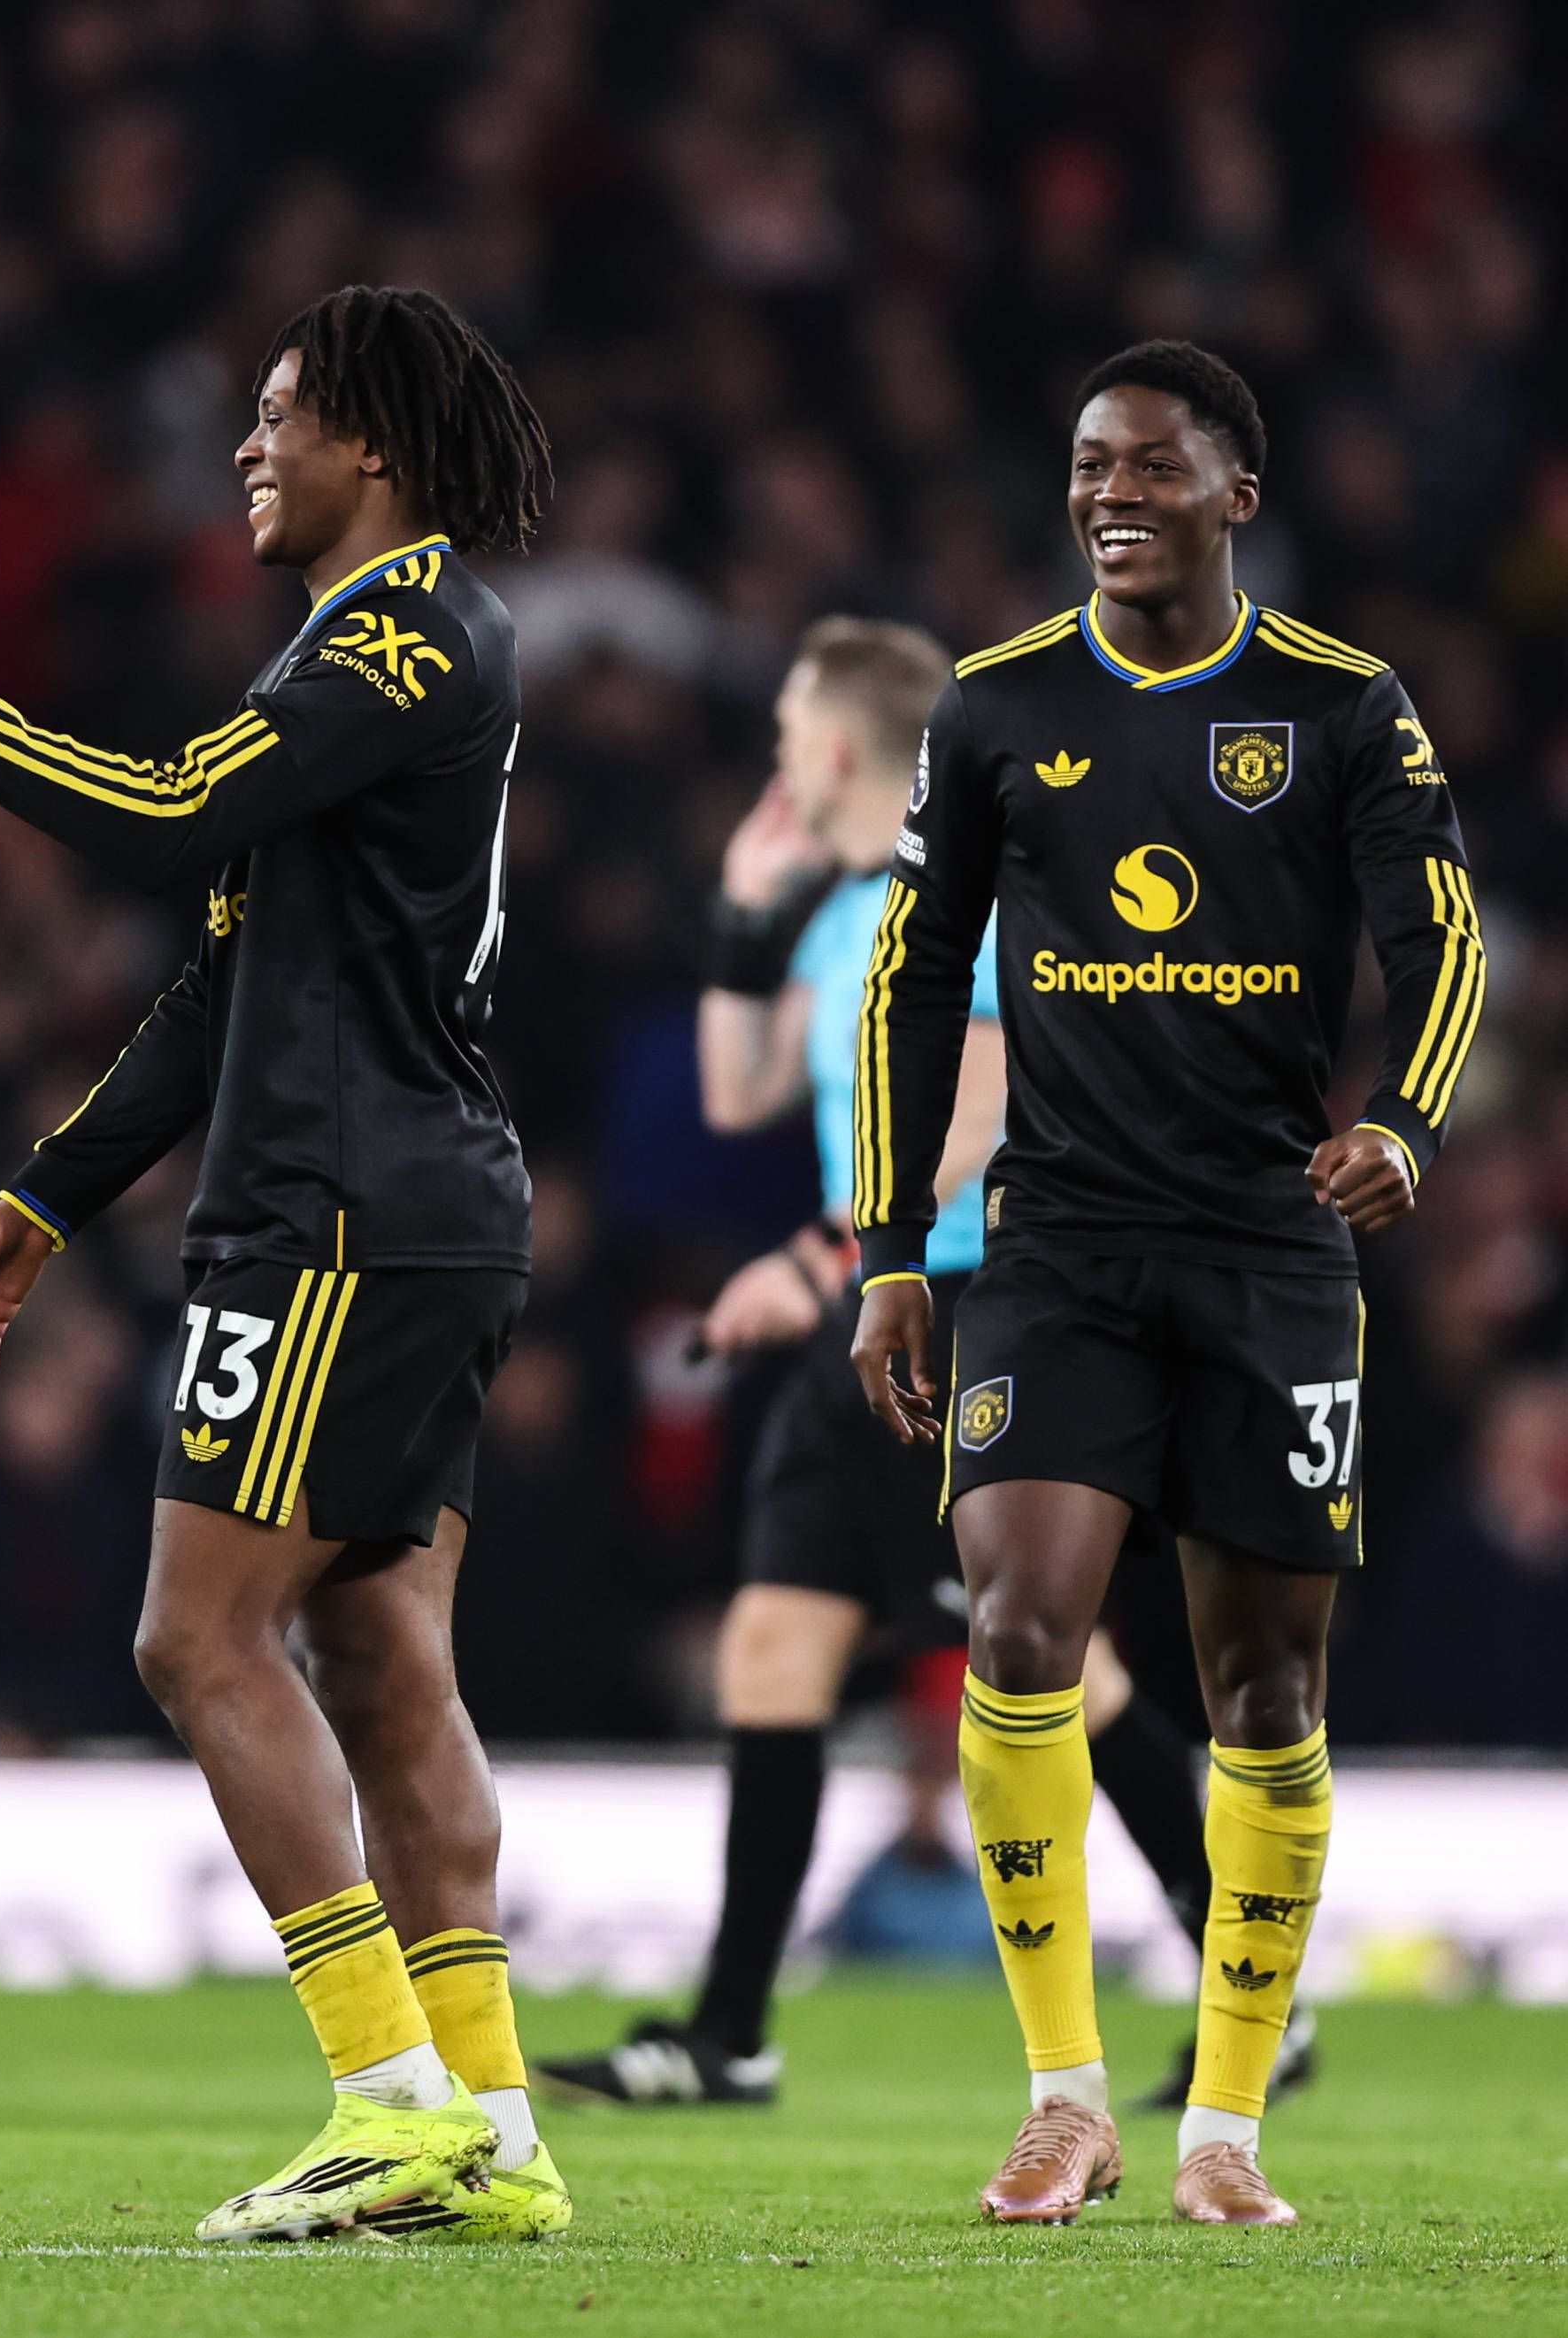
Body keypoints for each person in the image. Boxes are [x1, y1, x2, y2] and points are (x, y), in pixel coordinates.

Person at [0, 284, 571, 2243]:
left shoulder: (401, 635)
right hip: (420, 1201)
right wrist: (37, 1201)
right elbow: (219, 979)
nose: (248, 447)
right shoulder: (382, 643)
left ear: (377, 447)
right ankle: (492, 2132)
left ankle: (382, 2097)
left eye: (280, 417)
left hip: (336, 1210)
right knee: (373, 1654)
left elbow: (166, 818)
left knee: (193, 1640)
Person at [850, 342, 1480, 2226]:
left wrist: (1412, 1125)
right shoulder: (987, 710)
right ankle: (1062, 2099)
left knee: (1258, 1688)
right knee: (1017, 1627)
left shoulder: (1340, 707)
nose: (1108, 491)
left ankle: (1222, 2128)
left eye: (1148, 465)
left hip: (1270, 1249)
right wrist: (894, 1246)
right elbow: (907, 975)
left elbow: (1435, 935)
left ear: (1232, 496)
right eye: (1084, 465)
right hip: (1054, 1246)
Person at [543, 619, 1300, 2111]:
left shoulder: (982, 883)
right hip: (869, 1322)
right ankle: (730, 2030)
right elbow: (739, 1084)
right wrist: (747, 924)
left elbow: (980, 1123)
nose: (772, 769)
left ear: (833, 749)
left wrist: (821, 1257)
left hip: (962, 1313)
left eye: (782, 740)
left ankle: (1249, 1985)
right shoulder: (837, 912)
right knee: (779, 1647)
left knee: (1062, 1675)